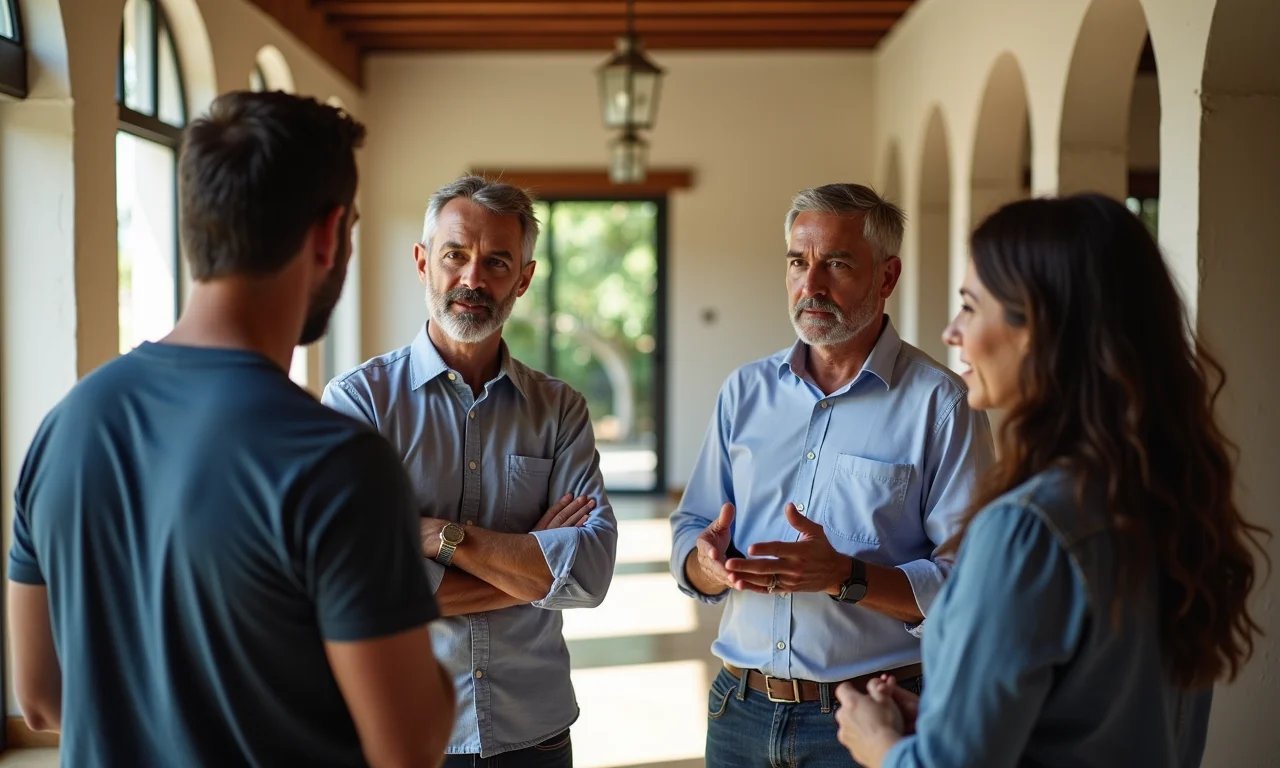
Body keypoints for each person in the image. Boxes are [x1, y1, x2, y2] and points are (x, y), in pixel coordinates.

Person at [7, 92, 456, 767]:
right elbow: (408, 747)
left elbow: (39, 697)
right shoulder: (337, 462)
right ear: (330, 234)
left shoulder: (65, 427)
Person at [834, 193, 1269, 767]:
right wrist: (944, 722)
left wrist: (880, 745)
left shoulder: (1027, 531)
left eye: (970, 306)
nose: (950, 331)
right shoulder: (1160, 502)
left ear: (1040, 327)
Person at [670, 183, 994, 767]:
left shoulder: (942, 405)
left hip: (871, 717)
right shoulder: (744, 392)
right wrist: (707, 566)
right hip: (737, 713)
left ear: (887, 277)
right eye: (799, 262)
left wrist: (847, 575)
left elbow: (967, 589)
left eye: (837, 264)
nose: (811, 285)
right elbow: (691, 526)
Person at [322, 175, 618, 767]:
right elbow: (358, 587)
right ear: (423, 261)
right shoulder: (360, 404)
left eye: (497, 261)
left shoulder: (560, 409)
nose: (473, 279)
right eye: (455, 254)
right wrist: (532, 570)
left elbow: (587, 576)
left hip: (536, 733)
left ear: (525, 278)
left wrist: (434, 535)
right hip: (403, 736)